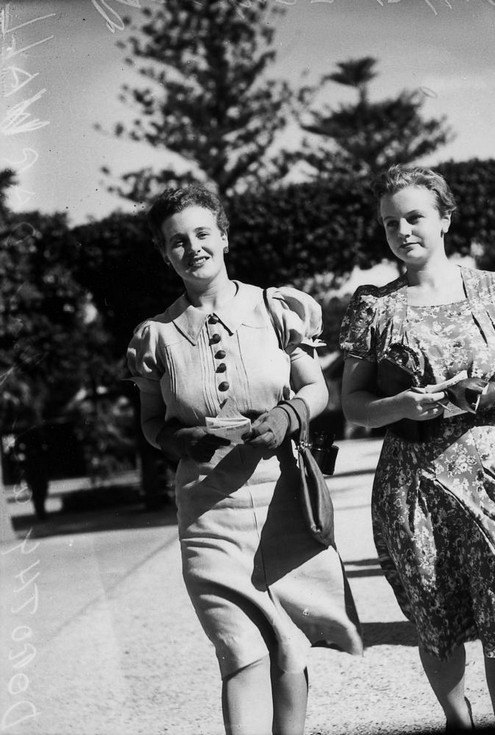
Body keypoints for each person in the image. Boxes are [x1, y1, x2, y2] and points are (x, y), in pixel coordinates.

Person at [340, 164, 495, 730]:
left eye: (415, 217)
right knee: (435, 614)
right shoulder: (374, 307)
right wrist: (399, 407)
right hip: (412, 484)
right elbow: (352, 404)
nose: (403, 231)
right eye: (391, 223)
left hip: (491, 475)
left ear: (445, 218)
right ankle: (457, 720)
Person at [127, 184, 362, 735]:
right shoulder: (154, 337)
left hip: (284, 495)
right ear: (165, 253)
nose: (193, 248)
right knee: (238, 647)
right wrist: (175, 442)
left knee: (287, 640)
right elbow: (150, 421)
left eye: (203, 234)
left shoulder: (277, 309)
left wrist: (289, 416)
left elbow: (316, 389)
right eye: (176, 241)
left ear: (224, 236)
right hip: (208, 509)